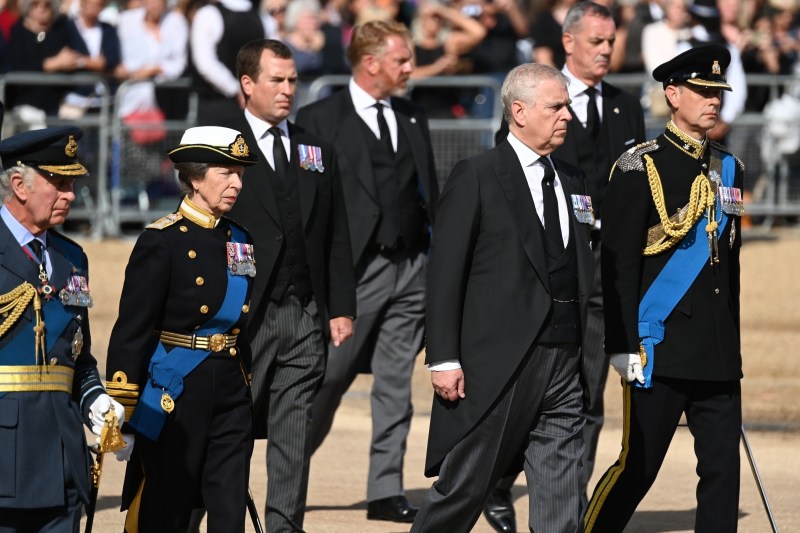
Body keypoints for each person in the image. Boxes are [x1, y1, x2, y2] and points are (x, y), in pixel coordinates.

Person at [411, 62, 594, 533]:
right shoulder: (477, 174)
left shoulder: (572, 179)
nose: (567, 117)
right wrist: (444, 357)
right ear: (519, 110)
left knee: (561, 494)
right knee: (465, 486)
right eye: (556, 107)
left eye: (567, 107)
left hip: (565, 359)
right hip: (500, 364)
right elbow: (445, 272)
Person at [485, 4, 646, 531]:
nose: (605, 49)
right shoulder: (536, 102)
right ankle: (497, 484)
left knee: (587, 396)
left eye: (611, 40)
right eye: (595, 40)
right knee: (532, 396)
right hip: (552, 270)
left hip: (606, 269)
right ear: (569, 41)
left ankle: (566, 513)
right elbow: (508, 188)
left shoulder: (625, 107)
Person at [583, 43, 744, 533]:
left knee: (722, 474)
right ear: (673, 94)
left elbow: (729, 268)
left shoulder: (729, 167)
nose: (712, 101)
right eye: (701, 90)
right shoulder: (639, 166)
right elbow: (617, 264)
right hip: (659, 344)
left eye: (718, 91)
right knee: (638, 467)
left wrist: (732, 347)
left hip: (715, 351)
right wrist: (621, 343)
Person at [294, 19, 439, 523]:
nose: (410, 68)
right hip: (351, 274)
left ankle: (385, 491)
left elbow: (427, 194)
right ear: (371, 62)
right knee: (328, 380)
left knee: (396, 386)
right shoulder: (318, 119)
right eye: (401, 59)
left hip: (411, 269)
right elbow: (308, 210)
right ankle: (289, 475)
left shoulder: (413, 116)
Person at [226, 39, 356, 533]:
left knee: (293, 435)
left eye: (292, 80)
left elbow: (336, 232)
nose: (287, 90)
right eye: (276, 80)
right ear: (247, 84)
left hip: (304, 313)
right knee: (229, 430)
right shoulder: (220, 145)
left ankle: (283, 527)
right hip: (243, 315)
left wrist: (340, 305)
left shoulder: (314, 147)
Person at [104, 125, 258, 532]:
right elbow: (134, 327)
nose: (236, 183)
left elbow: (245, 322)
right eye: (225, 172)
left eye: (240, 173)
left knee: (228, 512)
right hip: (175, 392)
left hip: (229, 390)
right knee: (166, 510)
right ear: (193, 176)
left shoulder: (241, 239)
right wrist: (125, 403)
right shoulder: (163, 240)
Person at [0, 125, 125, 531]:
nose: (70, 194)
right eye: (59, 183)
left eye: (72, 183)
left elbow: (76, 351)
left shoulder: (72, 258)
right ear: (19, 184)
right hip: (5, 457)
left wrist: (94, 399)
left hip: (63, 455)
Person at [188, 0, 268, 126]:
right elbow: (205, 64)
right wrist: (236, 89)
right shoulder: (208, 14)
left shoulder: (262, 16)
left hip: (252, 104)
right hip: (218, 104)